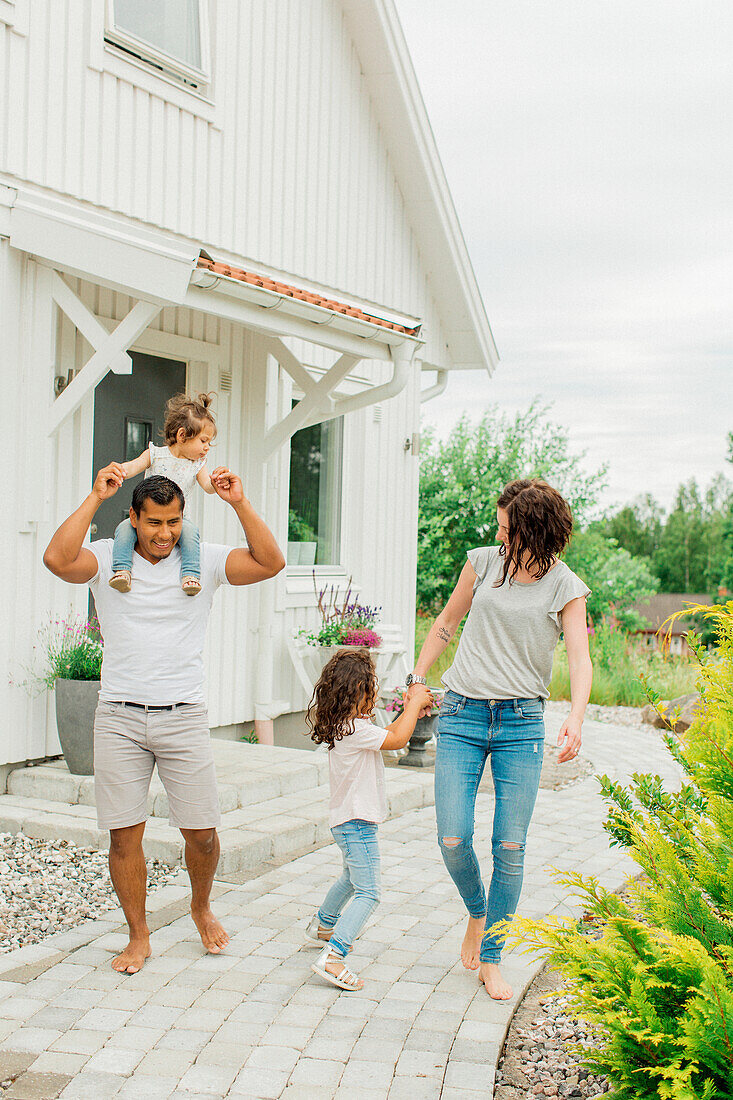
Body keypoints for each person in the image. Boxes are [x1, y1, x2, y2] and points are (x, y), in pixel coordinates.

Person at [43, 463, 285, 974]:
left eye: (174, 522)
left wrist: (238, 502)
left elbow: (270, 562)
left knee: (201, 833)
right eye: (153, 523)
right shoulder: (110, 559)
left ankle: (200, 906)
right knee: (123, 835)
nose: (164, 534)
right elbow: (56, 558)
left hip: (183, 715)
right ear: (133, 519)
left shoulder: (205, 561)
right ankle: (138, 934)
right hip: (119, 716)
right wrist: (94, 496)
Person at [405, 478, 592, 1000]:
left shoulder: (565, 587)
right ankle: (478, 909)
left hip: (521, 725)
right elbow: (447, 622)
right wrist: (419, 677)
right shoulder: (483, 561)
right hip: (463, 713)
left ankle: (492, 957)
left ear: (535, 529)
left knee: (509, 846)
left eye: (508, 527)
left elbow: (580, 658)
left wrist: (575, 717)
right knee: (452, 836)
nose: (499, 533)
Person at [304, 649, 433, 991]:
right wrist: (413, 705)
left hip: (347, 822)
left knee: (350, 876)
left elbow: (389, 732)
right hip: (357, 823)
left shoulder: (347, 725)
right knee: (370, 892)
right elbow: (397, 739)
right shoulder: (354, 729)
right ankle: (333, 957)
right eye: (370, 690)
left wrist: (413, 710)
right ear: (356, 693)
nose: (374, 696)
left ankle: (324, 925)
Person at [109, 392, 218, 596]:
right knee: (124, 529)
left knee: (191, 534)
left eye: (209, 443)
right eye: (204, 441)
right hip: (148, 516)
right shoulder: (155, 454)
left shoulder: (197, 465)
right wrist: (119, 472)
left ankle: (190, 575)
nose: (206, 448)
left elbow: (207, 486)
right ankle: (122, 571)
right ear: (182, 435)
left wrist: (217, 484)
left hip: (179, 519)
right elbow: (134, 467)